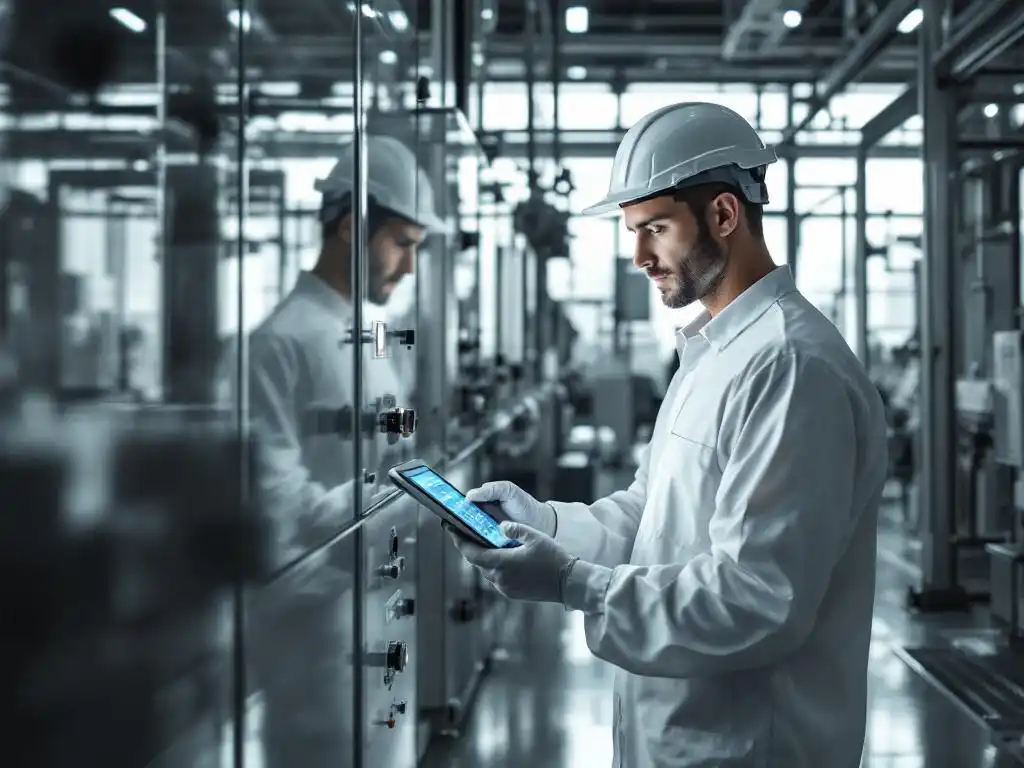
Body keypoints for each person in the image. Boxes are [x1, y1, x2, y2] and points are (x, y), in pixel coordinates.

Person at [448, 102, 889, 768]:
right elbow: (650, 516)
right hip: (685, 739)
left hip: (750, 748)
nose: (640, 258)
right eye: (633, 232)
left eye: (655, 228)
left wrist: (573, 584)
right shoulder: (712, 353)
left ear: (724, 214)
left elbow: (756, 600)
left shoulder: (791, 368)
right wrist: (546, 525)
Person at [242, 135, 445, 768]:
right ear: (352, 227)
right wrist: (386, 498)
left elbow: (390, 450)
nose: (408, 268)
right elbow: (276, 503)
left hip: (381, 609)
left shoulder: (370, 333)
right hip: (317, 635)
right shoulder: (276, 344)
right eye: (401, 244)